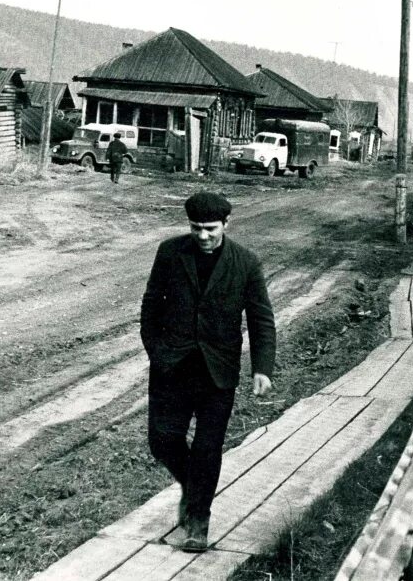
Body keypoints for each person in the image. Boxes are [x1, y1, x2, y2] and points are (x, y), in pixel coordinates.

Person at [140, 191, 276, 553]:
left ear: (227, 225)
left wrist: (261, 368)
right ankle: (193, 486)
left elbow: (261, 319)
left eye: (210, 229)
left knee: (207, 447)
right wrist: (158, 352)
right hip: (172, 368)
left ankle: (198, 521)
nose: (203, 236)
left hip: (218, 372)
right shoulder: (170, 253)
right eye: (196, 228)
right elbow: (151, 307)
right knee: (162, 440)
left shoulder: (246, 262)